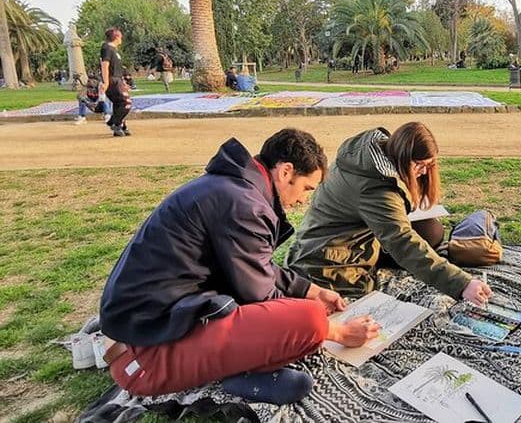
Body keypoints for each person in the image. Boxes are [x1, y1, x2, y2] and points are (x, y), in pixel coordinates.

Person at [99, 130, 380, 403]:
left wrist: (312, 290)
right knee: (309, 319)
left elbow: (257, 267)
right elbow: (261, 295)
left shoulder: (235, 190)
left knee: (307, 308)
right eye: (306, 188)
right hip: (146, 355)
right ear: (285, 172)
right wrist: (337, 332)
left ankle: (238, 369)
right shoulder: (243, 203)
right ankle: (239, 369)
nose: (303, 201)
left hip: (154, 325)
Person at [287, 122, 493, 307]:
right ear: (403, 157)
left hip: (340, 238)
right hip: (328, 259)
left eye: (429, 166)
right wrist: (461, 283)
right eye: (420, 166)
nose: (423, 172)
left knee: (431, 230)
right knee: (417, 242)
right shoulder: (374, 188)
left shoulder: (367, 156)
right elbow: (402, 241)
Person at [99, 28, 132, 137]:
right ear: (116, 36)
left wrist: (124, 81)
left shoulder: (114, 50)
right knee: (126, 102)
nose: (121, 38)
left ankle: (120, 125)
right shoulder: (107, 48)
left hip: (118, 79)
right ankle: (115, 123)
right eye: (120, 36)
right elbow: (105, 65)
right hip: (112, 80)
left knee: (118, 104)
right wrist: (106, 82)